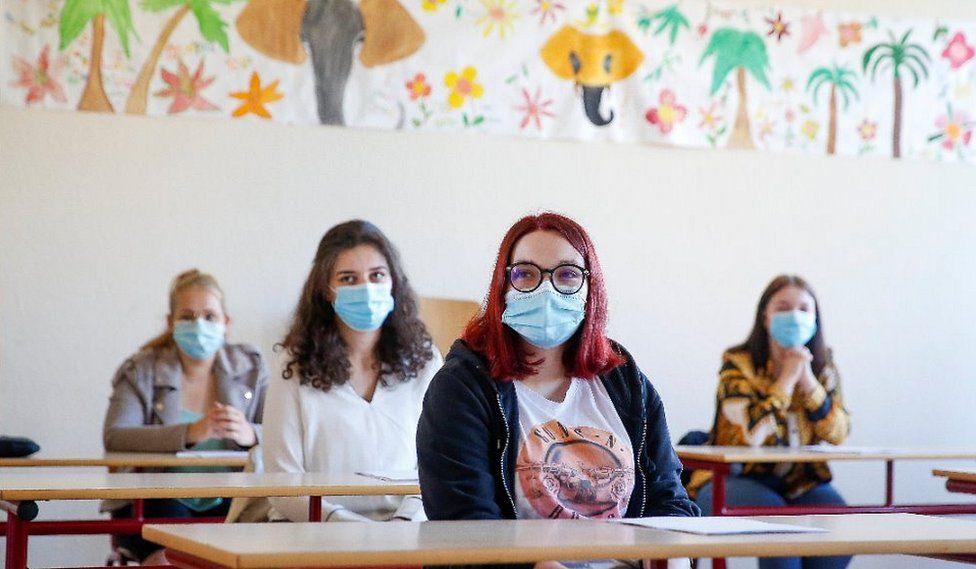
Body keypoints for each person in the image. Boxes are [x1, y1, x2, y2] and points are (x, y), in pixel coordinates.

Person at [418, 212, 697, 569]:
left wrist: (670, 554)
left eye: (567, 274)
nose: (546, 289)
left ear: (589, 288)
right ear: (503, 287)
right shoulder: (461, 388)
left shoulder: (623, 379)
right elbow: (463, 528)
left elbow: (668, 497)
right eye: (525, 274)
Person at [263, 220, 442, 522]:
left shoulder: (425, 362)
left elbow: (439, 467)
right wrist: (347, 526)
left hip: (406, 530)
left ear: (394, 283)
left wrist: (403, 523)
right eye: (348, 278)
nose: (366, 289)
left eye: (377, 276)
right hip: (313, 531)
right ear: (326, 290)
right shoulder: (294, 365)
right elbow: (282, 482)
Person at [103, 269, 267, 564]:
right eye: (188, 316)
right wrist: (188, 433)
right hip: (155, 498)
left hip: (235, 500)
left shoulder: (252, 368)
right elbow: (116, 435)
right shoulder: (141, 370)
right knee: (174, 557)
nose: (199, 325)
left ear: (226, 323)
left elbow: (286, 433)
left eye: (209, 317)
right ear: (171, 323)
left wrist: (251, 434)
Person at [687, 275, 851, 569]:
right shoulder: (737, 363)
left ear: (815, 319)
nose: (794, 316)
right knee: (778, 528)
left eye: (803, 309)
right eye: (784, 308)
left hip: (798, 482)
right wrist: (786, 379)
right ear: (766, 317)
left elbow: (838, 432)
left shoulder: (823, 366)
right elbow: (753, 435)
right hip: (734, 477)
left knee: (840, 529)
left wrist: (808, 381)